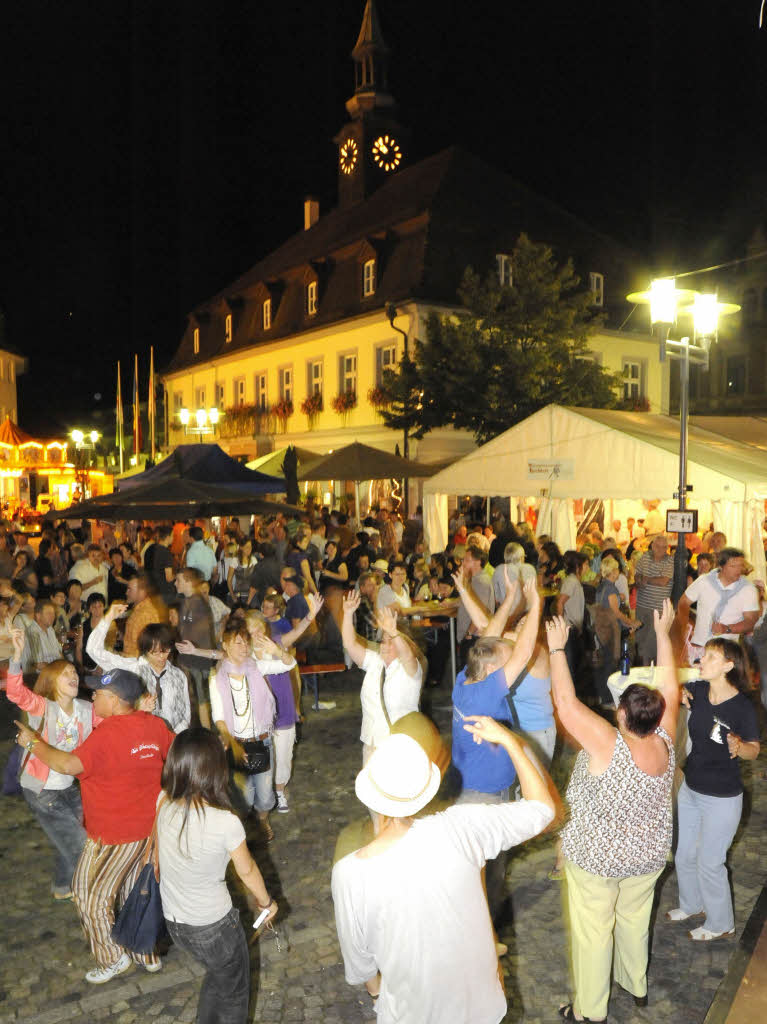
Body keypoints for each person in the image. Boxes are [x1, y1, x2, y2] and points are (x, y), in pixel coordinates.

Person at [331, 725, 555, 1024]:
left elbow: (360, 964)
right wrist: (510, 741)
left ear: (371, 796)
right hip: (480, 1008)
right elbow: (542, 809)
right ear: (426, 789)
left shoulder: (349, 874)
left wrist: (377, 996)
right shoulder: (463, 827)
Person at [545, 600, 679, 1023]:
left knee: (593, 934)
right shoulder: (667, 741)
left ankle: (590, 1012)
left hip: (598, 860)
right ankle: (634, 984)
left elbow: (566, 705)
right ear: (657, 717)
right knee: (635, 919)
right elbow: (672, 691)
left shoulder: (608, 743)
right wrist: (663, 633)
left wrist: (555, 650)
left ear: (622, 713)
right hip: (648, 855)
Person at [13, 668, 174, 983]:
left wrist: (32, 742)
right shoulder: (155, 725)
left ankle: (113, 957)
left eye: (98, 693)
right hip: (150, 830)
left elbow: (67, 764)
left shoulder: (105, 736)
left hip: (111, 836)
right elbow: (177, 754)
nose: (93, 697)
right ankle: (145, 953)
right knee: (134, 891)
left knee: (87, 894)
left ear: (114, 700)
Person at [156, 729, 277, 1024]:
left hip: (175, 923)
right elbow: (247, 870)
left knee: (219, 973)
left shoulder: (162, 801)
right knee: (235, 995)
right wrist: (266, 902)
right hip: (214, 927)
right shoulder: (225, 823)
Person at [450, 575, 541, 920]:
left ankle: (481, 922)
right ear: (490, 670)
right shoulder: (486, 692)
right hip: (484, 796)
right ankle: (483, 931)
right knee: (487, 869)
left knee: (486, 866)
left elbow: (491, 635)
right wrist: (534, 605)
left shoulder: (466, 679)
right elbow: (525, 651)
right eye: (504, 664)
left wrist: (512, 597)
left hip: (480, 787)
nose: (511, 665)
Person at [668, 638, 760, 941]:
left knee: (710, 861)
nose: (701, 661)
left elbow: (754, 751)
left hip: (722, 797)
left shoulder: (742, 707)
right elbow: (675, 680)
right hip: (692, 788)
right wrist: (680, 693)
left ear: (728, 666)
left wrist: (740, 746)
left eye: (710, 657)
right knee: (683, 855)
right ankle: (692, 905)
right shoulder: (698, 691)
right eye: (703, 655)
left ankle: (721, 923)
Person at [5, 629, 91, 899]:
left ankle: (62, 886)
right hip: (41, 790)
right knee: (79, 842)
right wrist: (17, 656)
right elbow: (16, 693)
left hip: (68, 783)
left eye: (74, 673)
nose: (73, 676)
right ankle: (86, 892)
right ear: (52, 681)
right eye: (66, 673)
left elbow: (113, 723)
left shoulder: (85, 709)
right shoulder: (42, 706)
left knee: (73, 836)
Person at [210, 622, 296, 842]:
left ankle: (263, 820)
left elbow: (289, 664)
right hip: (237, 744)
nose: (243, 647)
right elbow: (219, 718)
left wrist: (276, 651)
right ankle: (247, 829)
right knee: (245, 795)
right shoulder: (217, 678)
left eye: (245, 643)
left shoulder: (256, 667)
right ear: (226, 645)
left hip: (262, 740)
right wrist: (234, 745)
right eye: (238, 642)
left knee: (266, 796)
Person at [341, 591, 423, 765]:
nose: (385, 645)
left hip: (399, 747)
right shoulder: (374, 661)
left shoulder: (410, 669)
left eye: (391, 642)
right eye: (384, 641)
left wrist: (393, 632)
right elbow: (349, 643)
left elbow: (407, 655)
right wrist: (348, 614)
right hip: (371, 743)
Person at [87, 602, 191, 733]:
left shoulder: (178, 675)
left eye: (165, 651)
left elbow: (185, 712)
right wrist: (108, 618)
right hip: (141, 737)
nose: (161, 657)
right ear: (145, 651)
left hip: (172, 739)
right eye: (155, 652)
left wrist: (176, 736)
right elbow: (93, 650)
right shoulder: (133, 668)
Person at [677, 547, 759, 663]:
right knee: (696, 680)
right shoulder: (704, 581)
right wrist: (684, 627)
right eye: (733, 566)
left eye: (740, 565)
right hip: (699, 647)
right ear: (721, 566)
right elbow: (683, 602)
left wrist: (727, 628)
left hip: (727, 651)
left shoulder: (748, 589)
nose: (738, 570)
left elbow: (750, 622)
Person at [634, 534, 675, 665]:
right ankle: (641, 667)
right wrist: (640, 580)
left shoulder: (670, 561)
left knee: (651, 642)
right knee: (640, 639)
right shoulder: (645, 557)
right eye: (658, 546)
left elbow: (664, 581)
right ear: (652, 546)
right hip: (642, 606)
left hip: (658, 609)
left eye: (664, 547)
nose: (661, 550)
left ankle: (649, 668)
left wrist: (647, 579)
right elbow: (637, 575)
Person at [123, 572, 167, 658]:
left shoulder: (145, 614)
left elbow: (149, 649)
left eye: (129, 589)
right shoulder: (138, 609)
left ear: (142, 591)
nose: (126, 592)